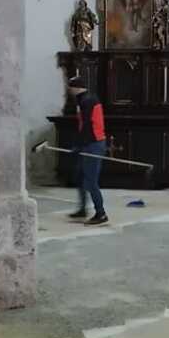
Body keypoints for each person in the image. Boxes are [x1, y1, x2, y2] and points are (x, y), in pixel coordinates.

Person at [67, 75, 110, 226]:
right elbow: (82, 126)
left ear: (75, 88)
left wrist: (78, 146)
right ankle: (82, 209)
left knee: (91, 181)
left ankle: (101, 213)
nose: (69, 90)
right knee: (79, 176)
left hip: (93, 144)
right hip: (87, 143)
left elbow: (87, 126)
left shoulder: (88, 101)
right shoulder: (82, 100)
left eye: (70, 88)